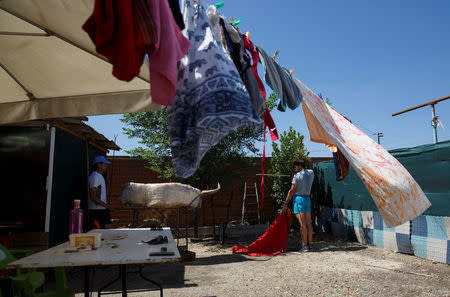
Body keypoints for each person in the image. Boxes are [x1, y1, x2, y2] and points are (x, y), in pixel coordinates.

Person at [282, 160, 315, 252]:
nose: (294, 169)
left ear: (300, 166)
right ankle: (310, 244)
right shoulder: (311, 172)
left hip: (299, 200)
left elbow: (292, 190)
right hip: (307, 199)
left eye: (295, 167)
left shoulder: (297, 176)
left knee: (303, 224)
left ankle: (304, 246)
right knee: (309, 223)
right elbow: (306, 175)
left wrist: (285, 203)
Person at [88, 155, 113, 229]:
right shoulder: (95, 176)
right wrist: (107, 206)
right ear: (99, 164)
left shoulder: (99, 176)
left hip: (101, 209)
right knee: (106, 231)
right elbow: (93, 196)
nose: (106, 166)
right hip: (97, 210)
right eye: (104, 164)